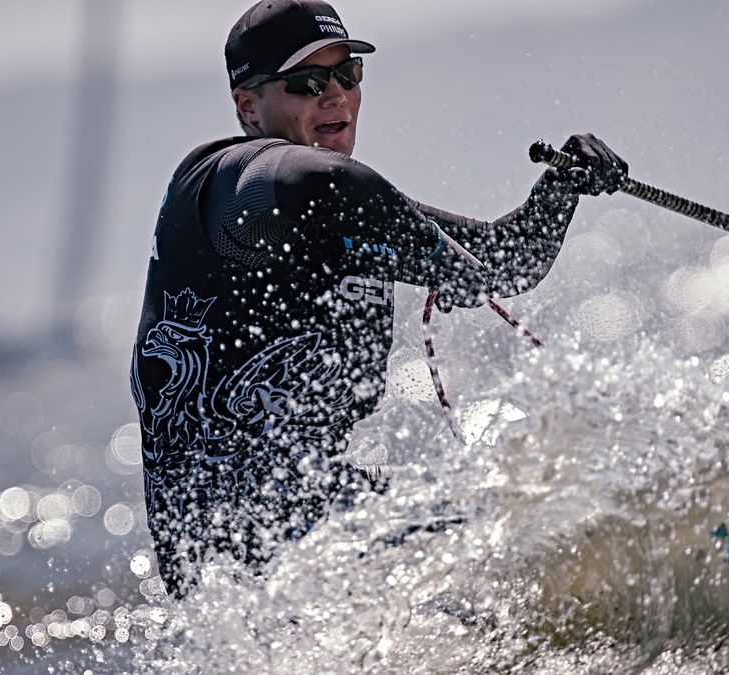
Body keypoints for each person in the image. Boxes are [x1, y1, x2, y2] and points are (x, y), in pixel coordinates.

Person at [130, 0, 628, 597]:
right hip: (234, 567)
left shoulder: (352, 216)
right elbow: (317, 183)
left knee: (529, 517)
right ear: (248, 107)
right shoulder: (225, 184)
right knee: (503, 536)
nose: (335, 97)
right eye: (307, 83)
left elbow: (505, 262)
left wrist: (560, 188)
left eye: (348, 75)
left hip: (323, 527)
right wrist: (443, 260)